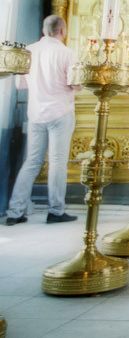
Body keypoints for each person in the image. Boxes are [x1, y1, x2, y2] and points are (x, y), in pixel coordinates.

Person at [5, 15, 80, 225]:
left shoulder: (29, 50)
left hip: (36, 113)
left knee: (31, 162)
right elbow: (76, 84)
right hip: (60, 112)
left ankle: (15, 212)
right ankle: (56, 210)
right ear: (63, 31)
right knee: (57, 163)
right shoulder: (66, 53)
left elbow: (20, 84)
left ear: (44, 30)